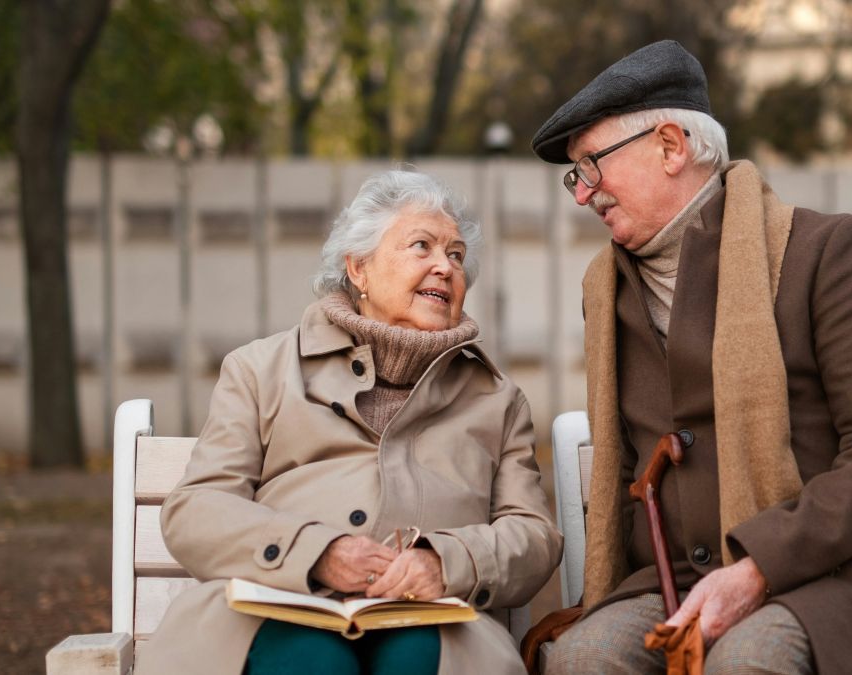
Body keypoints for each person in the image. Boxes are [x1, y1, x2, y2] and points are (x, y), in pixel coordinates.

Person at [531, 41, 852, 674]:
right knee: (583, 658)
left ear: (672, 146)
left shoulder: (826, 253)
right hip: (674, 580)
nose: (582, 193)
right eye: (576, 175)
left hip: (839, 577)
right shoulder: (608, 291)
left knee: (748, 660)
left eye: (591, 166)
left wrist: (758, 568)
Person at [140, 169, 562, 675]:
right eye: (421, 246)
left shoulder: (497, 400)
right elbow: (197, 508)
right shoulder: (260, 369)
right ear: (358, 268)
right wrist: (318, 552)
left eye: (455, 256)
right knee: (312, 662)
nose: (444, 268)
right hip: (276, 607)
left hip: (436, 621)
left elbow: (533, 536)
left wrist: (445, 561)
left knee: (415, 661)